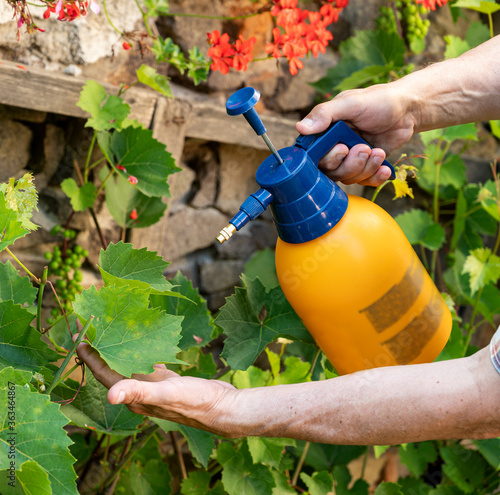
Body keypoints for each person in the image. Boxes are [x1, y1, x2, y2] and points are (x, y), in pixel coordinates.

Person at [75, 34, 500, 445]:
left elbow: (485, 397)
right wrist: (406, 102)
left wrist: (231, 407)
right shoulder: (349, 229)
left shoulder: (363, 225)